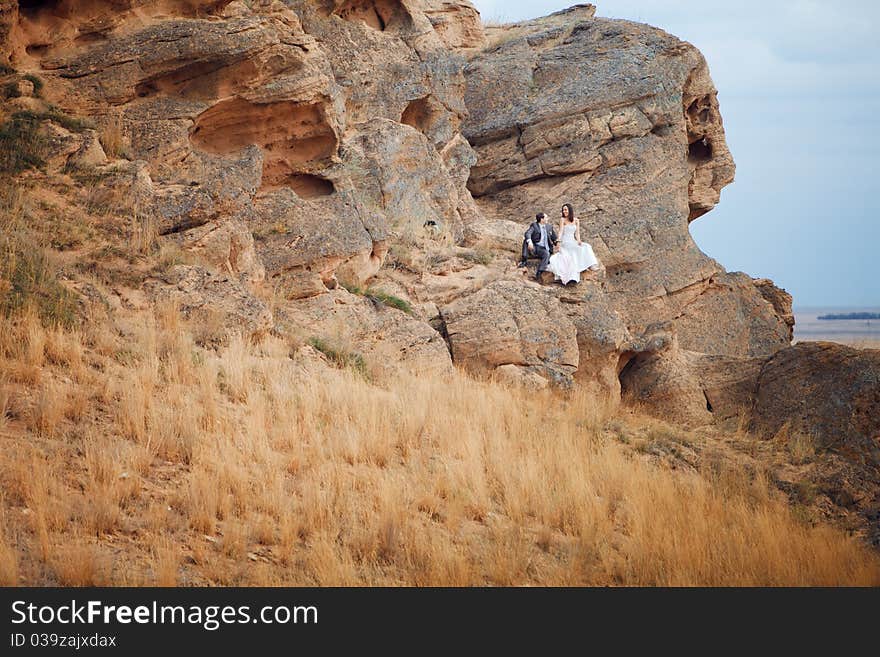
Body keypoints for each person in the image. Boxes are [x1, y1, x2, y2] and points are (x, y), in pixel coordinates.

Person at [547, 203, 600, 285]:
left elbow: (577, 233)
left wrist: (579, 240)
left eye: (566, 209)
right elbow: (561, 232)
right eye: (563, 210)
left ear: (570, 210)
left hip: (573, 240)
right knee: (575, 249)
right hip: (565, 241)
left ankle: (591, 264)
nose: (564, 211)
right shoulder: (562, 220)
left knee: (586, 246)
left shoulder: (576, 220)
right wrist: (558, 241)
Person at [518, 212, 558, 281]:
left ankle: (539, 272)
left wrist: (557, 243)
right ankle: (524, 260)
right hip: (535, 247)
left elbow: (554, 238)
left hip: (544, 249)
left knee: (547, 254)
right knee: (526, 241)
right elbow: (528, 233)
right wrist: (530, 241)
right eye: (546, 217)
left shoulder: (549, 227)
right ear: (541, 219)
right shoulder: (534, 226)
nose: (548, 219)